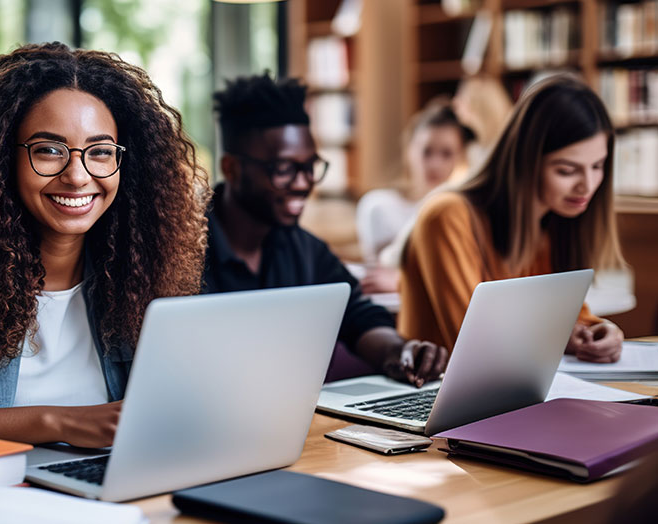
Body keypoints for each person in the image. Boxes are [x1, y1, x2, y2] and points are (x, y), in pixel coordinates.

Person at [0, 43, 208, 449]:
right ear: (1, 156)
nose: (78, 176)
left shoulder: (143, 259)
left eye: (99, 152)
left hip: (117, 486)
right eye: (48, 150)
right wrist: (59, 423)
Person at [204, 73, 447, 388]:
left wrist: (400, 351)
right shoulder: (182, 253)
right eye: (284, 170)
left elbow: (358, 317)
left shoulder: (306, 250)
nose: (304, 184)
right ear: (231, 169)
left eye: (310, 167)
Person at [399, 75, 626, 362]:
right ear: (524, 162)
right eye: (566, 170)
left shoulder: (555, 223)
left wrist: (603, 331)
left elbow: (572, 319)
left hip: (508, 395)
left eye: (597, 166)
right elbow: (476, 342)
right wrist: (557, 335)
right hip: (434, 395)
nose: (588, 185)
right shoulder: (447, 216)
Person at [356, 98, 472, 293]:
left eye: (447, 154)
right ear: (409, 150)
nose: (435, 164)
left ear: (460, 157)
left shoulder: (460, 209)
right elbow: (386, 273)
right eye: (427, 152)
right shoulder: (379, 206)